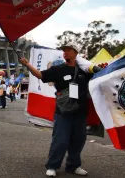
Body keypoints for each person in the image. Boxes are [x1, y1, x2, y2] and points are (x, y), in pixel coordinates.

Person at [19, 41, 102, 177]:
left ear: (76, 53)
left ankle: (73, 166)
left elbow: (100, 78)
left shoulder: (85, 70)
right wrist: (27, 64)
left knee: (78, 140)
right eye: (64, 50)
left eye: (69, 50)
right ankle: (52, 166)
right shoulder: (58, 69)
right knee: (60, 140)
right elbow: (40, 75)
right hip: (63, 113)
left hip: (80, 113)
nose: (65, 52)